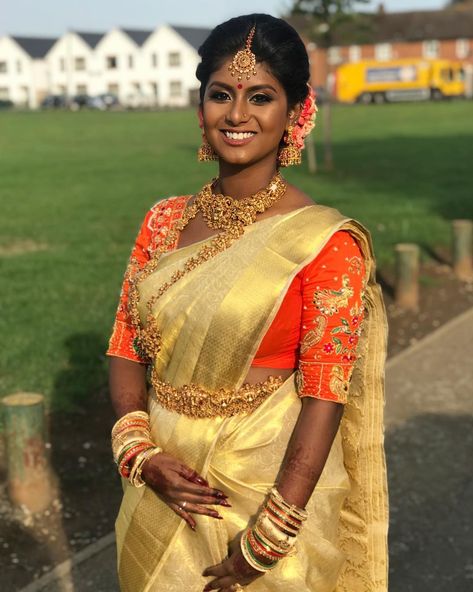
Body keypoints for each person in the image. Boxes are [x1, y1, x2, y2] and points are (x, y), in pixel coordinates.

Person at [107, 13, 388, 592]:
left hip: (266, 495)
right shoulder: (163, 221)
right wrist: (139, 452)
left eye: (261, 97)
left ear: (296, 112)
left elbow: (324, 396)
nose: (237, 116)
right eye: (220, 95)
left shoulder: (324, 243)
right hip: (161, 489)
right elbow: (125, 342)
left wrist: (268, 538)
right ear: (200, 106)